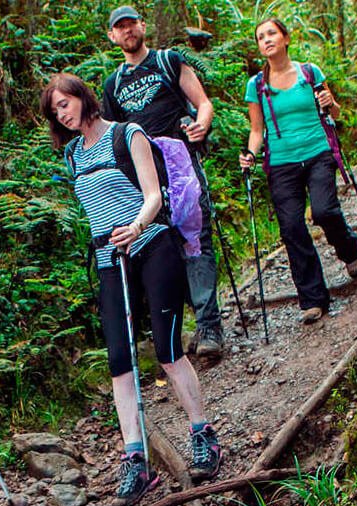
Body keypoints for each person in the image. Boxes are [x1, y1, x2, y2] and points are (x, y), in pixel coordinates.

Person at [42, 72, 225, 502]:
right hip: (109, 260)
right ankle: (135, 460)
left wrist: (136, 226)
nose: (63, 114)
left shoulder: (129, 134)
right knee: (119, 362)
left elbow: (153, 196)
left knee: (167, 349)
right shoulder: (72, 155)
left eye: (65, 104)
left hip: (152, 246)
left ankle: (204, 435)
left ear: (82, 96)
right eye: (55, 111)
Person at [101, 5, 227, 358]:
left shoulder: (169, 61)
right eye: (119, 28)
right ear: (112, 36)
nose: (127, 32)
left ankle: (208, 328)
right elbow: (114, 134)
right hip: (143, 172)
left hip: (180, 162)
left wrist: (200, 125)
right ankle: (182, 326)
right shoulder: (113, 85)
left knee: (195, 239)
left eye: (131, 25)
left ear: (143, 27)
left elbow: (202, 103)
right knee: (163, 245)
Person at [241, 18, 357, 324]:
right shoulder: (256, 85)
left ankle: (350, 250)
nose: (266, 39)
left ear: (285, 38)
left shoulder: (310, 72)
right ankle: (312, 299)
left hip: (318, 151)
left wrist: (329, 101)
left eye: (272, 33)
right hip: (282, 162)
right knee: (292, 227)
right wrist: (250, 154)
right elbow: (257, 130)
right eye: (261, 37)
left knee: (324, 211)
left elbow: (335, 113)